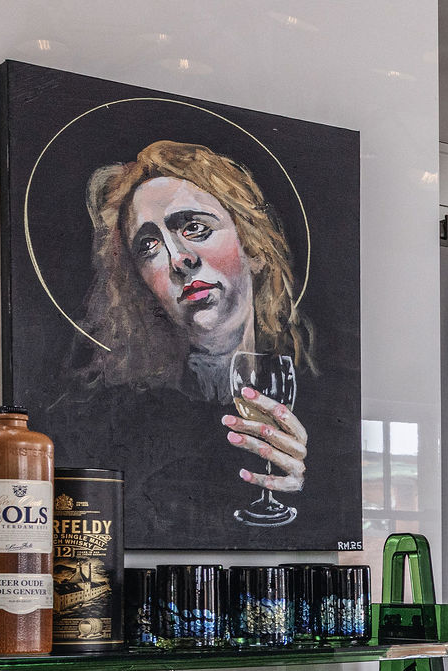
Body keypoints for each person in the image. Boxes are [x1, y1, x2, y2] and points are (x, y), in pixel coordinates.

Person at [69, 139, 311, 521]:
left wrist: (304, 491)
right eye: (149, 246)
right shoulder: (125, 424)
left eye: (195, 227)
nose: (178, 259)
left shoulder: (314, 397)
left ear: (253, 247)